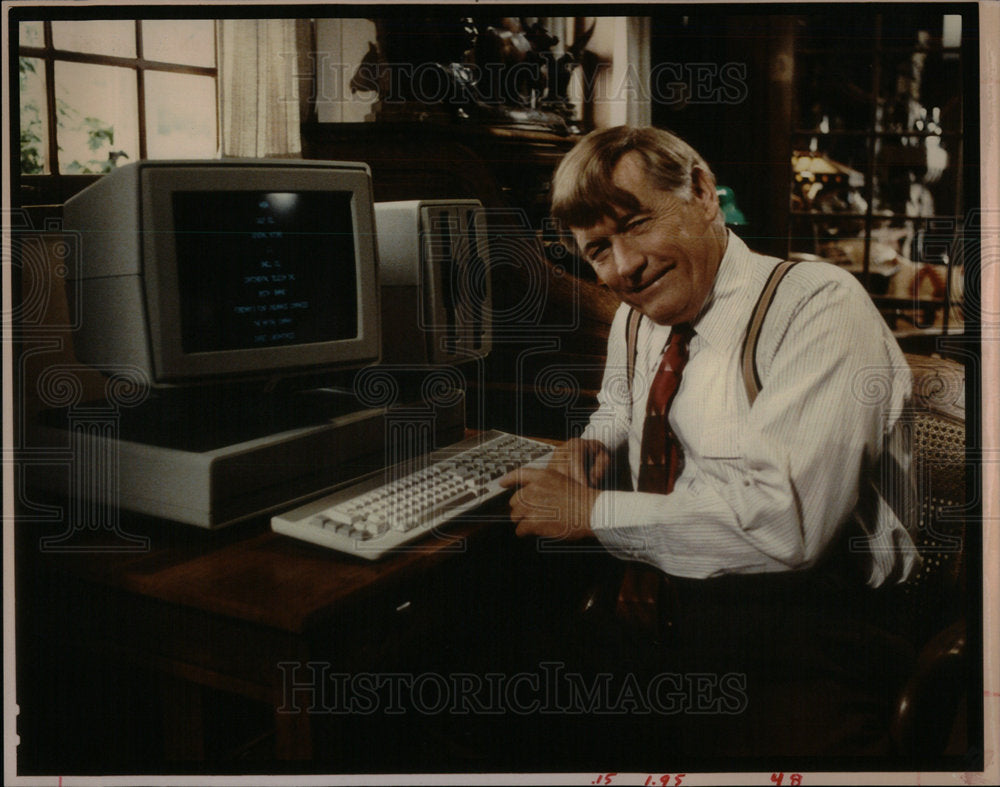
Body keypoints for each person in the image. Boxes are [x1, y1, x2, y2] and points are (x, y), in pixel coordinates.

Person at [498, 125, 921, 758]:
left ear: (701, 190)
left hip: (812, 637)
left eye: (638, 224)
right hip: (669, 608)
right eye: (598, 251)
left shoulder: (818, 306)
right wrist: (592, 448)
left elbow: (787, 525)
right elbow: (621, 406)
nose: (625, 266)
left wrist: (593, 513)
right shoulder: (638, 319)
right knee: (499, 708)